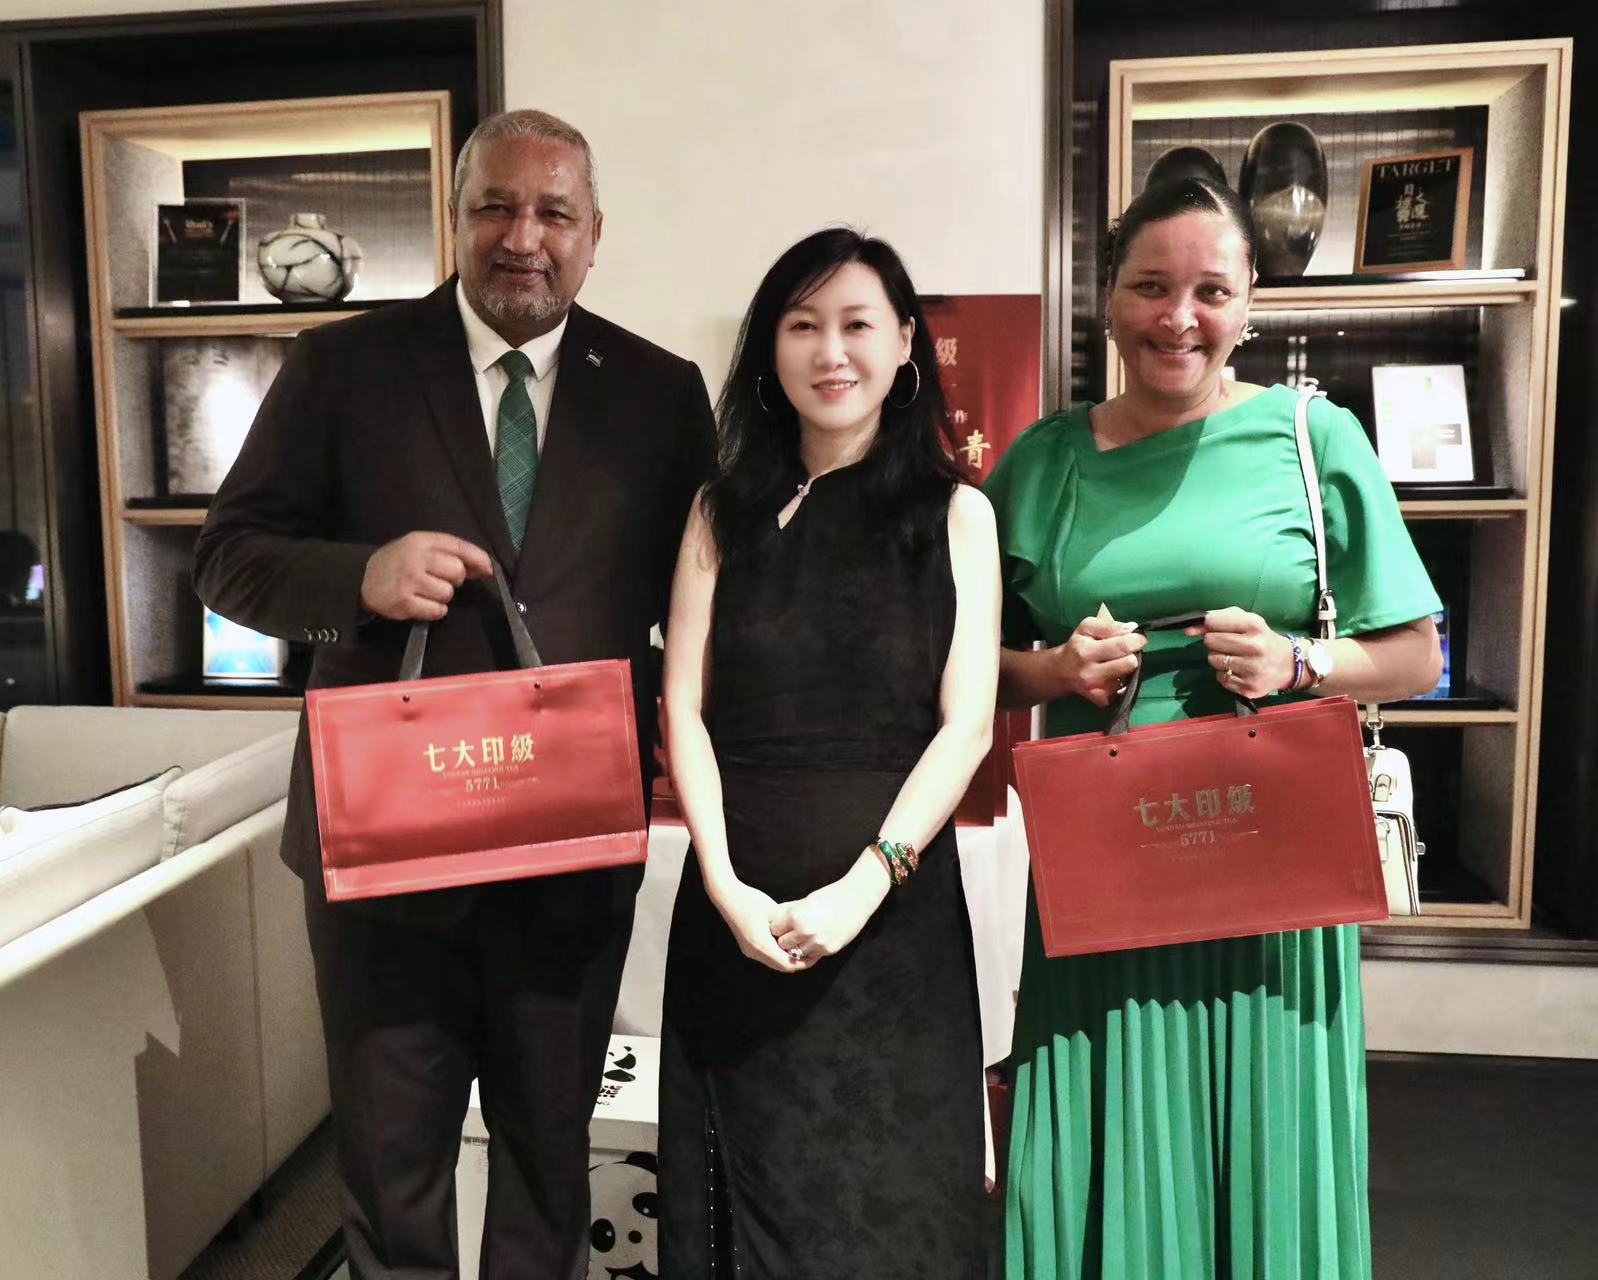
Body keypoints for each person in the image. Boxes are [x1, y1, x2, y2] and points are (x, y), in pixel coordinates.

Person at [193, 110, 715, 1280]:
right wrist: (358, 578)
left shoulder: (658, 391)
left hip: (568, 851)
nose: (522, 237)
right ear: (454, 216)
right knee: (391, 1173)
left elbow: (706, 603)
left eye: (553, 213)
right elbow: (227, 558)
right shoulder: (343, 367)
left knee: (547, 1163)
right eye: (495, 206)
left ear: (593, 236)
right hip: (387, 856)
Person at [986, 176, 1443, 1279]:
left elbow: (1415, 655)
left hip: (1268, 858)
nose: (1177, 318)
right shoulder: (1042, 461)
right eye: (1150, 286)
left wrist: (1299, 660)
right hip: (1106, 860)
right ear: (1106, 297)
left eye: (1210, 291)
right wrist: (1053, 667)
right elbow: (963, 667)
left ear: (1248, 305)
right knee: (1105, 1109)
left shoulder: (1312, 438)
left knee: (1264, 1124)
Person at [656, 227, 1000, 1278]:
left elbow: (966, 725)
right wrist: (723, 885)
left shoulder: (957, 514)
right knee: (744, 1217)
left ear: (904, 343)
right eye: (802, 325)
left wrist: (866, 882)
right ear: (770, 350)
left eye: (856, 323)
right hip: (737, 920)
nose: (831, 350)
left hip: (894, 932)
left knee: (897, 1210)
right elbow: (683, 708)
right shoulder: (719, 510)